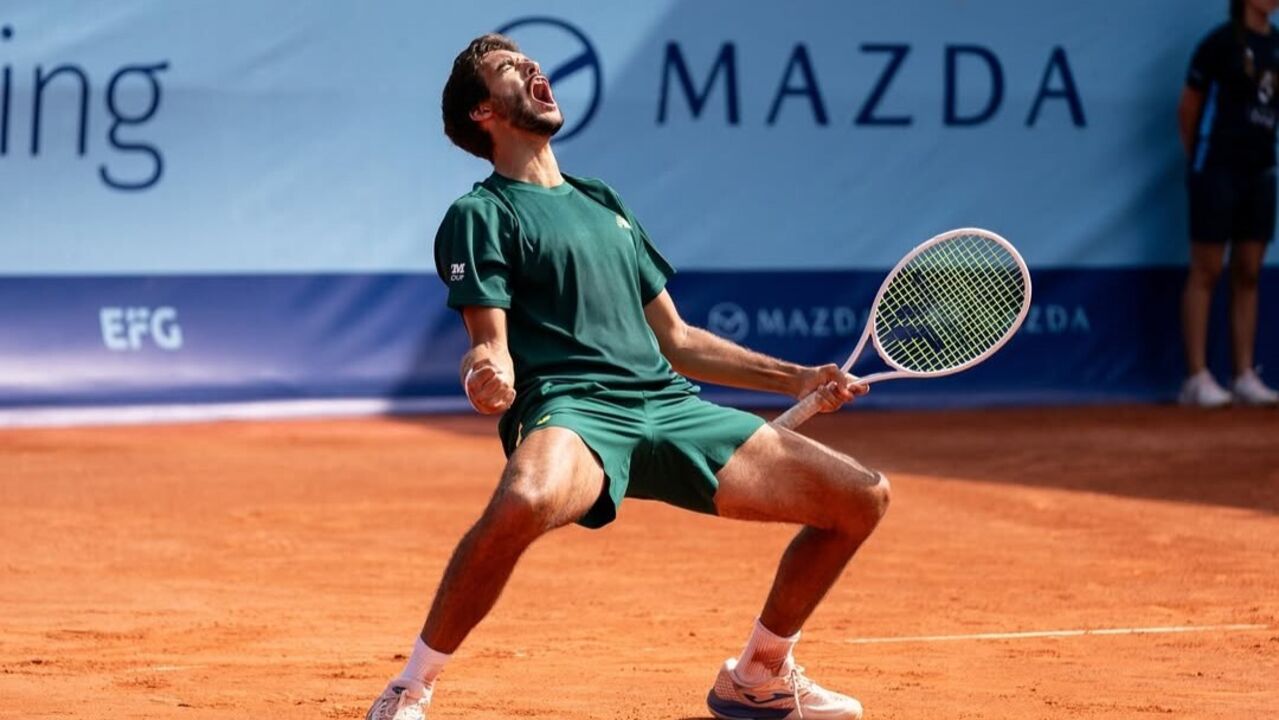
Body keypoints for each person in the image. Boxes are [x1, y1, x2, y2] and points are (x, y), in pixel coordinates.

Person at [363, 33, 890, 720]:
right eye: (508, 71)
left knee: (860, 499)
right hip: (573, 409)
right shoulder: (480, 214)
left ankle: (757, 673)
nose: (532, 70)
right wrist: (485, 374)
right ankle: (412, 684)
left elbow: (676, 340)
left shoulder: (601, 200)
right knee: (522, 501)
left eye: (531, 63)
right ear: (481, 115)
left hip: (668, 407)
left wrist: (795, 378)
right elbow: (486, 343)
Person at [1178, 0, 1279, 407]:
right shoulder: (1218, 44)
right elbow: (1188, 108)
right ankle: (1197, 377)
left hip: (1262, 169)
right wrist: (1203, 160)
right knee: (1207, 268)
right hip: (1216, 168)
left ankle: (1243, 374)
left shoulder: (1277, 47)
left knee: (1250, 270)